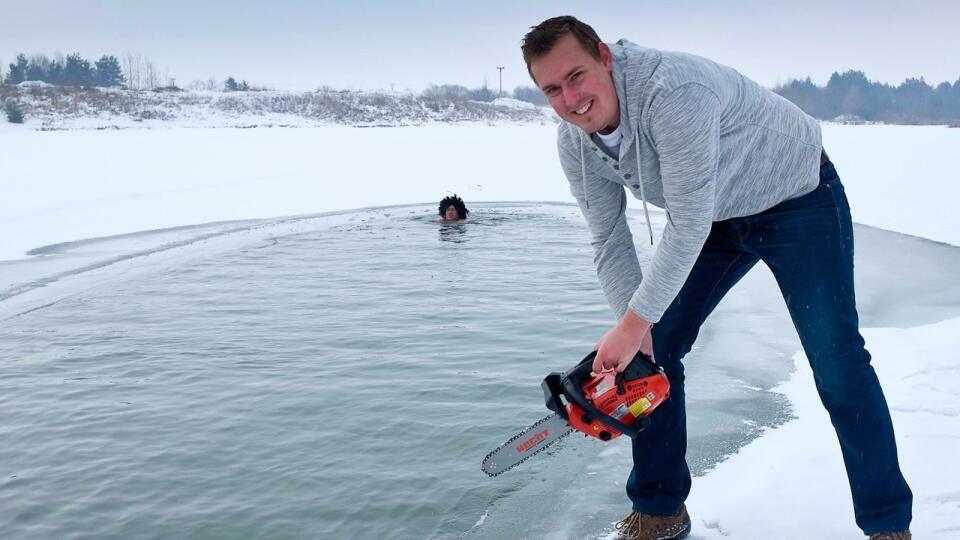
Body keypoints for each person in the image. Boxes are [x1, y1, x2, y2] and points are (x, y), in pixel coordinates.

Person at [521, 15, 912, 540]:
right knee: (652, 357)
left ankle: (887, 524)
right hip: (715, 216)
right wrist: (635, 332)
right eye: (552, 89)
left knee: (838, 363)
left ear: (604, 56)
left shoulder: (673, 91)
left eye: (576, 75)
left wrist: (635, 324)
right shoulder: (575, 145)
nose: (570, 98)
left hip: (797, 197)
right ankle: (660, 511)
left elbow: (685, 225)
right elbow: (609, 239)